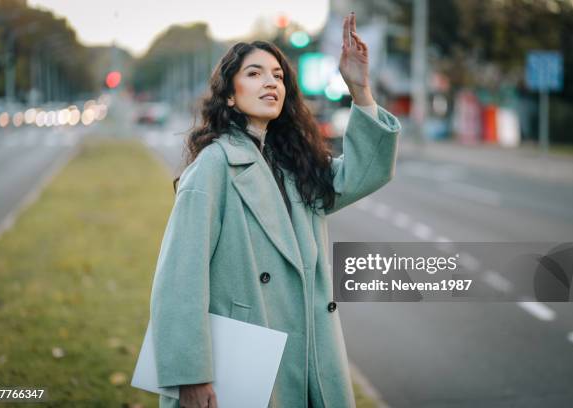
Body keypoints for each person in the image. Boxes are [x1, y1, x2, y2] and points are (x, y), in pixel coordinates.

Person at [149, 11, 401, 408]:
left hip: (309, 353)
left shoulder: (295, 166)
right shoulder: (214, 167)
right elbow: (180, 279)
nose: (270, 82)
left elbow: (363, 174)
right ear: (229, 95)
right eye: (254, 73)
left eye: (278, 76)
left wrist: (360, 90)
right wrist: (189, 374)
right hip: (244, 362)